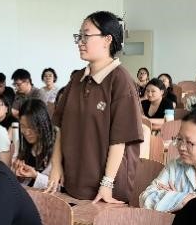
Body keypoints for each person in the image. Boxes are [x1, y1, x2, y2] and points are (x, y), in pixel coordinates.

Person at [47, 11, 143, 203]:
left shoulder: (120, 80)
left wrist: (107, 184)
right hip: (72, 181)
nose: (80, 42)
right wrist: (56, 166)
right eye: (79, 36)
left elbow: (119, 140)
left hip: (106, 188)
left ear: (107, 39)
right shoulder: (77, 79)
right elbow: (61, 128)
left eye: (86, 35)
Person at [139, 108, 196, 211]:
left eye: (189, 142)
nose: (181, 147)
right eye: (179, 139)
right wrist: (183, 199)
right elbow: (145, 198)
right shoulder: (176, 165)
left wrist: (171, 199)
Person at [12, 99, 55, 190]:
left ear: (42, 124)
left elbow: (57, 187)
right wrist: (19, 173)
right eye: (23, 126)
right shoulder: (21, 144)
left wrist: (35, 175)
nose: (27, 132)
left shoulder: (55, 149)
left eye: (32, 127)